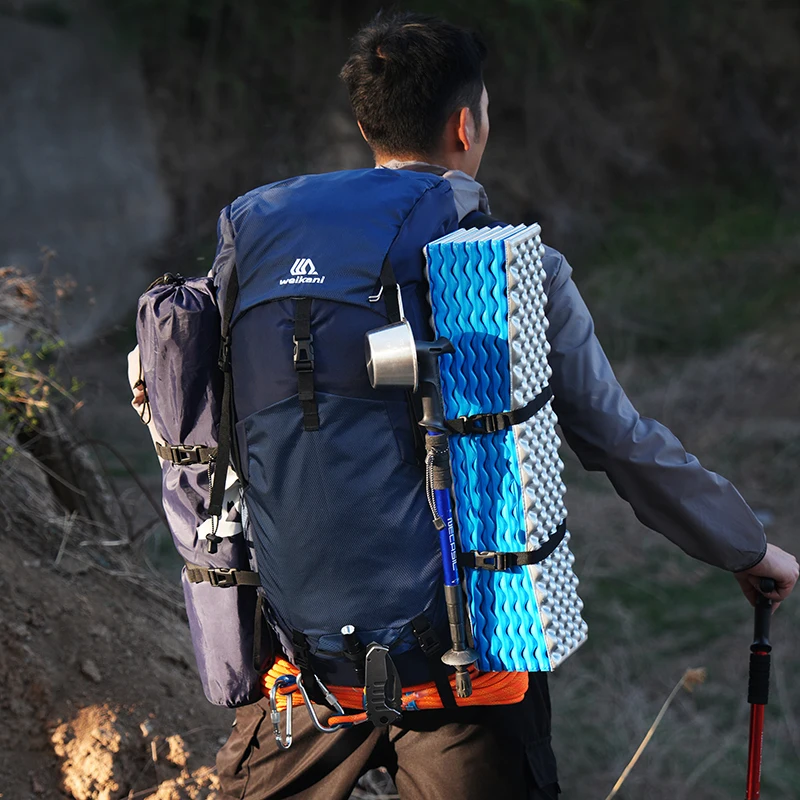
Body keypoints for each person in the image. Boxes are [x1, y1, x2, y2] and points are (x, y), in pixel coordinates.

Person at [133, 11, 798, 799]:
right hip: (466, 672)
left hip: (301, 670)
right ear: (465, 125)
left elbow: (178, 387)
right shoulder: (512, 270)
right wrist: (745, 549)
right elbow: (620, 443)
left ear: (364, 126)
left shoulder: (254, 248)